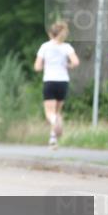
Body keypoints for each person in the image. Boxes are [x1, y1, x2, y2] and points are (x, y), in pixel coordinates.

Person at [34, 20, 79, 149]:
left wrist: (44, 66)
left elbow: (37, 67)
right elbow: (75, 62)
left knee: (50, 113)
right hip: (63, 81)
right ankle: (53, 140)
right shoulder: (67, 47)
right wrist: (68, 65)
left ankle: (55, 124)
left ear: (51, 34)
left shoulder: (45, 47)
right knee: (57, 112)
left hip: (50, 80)